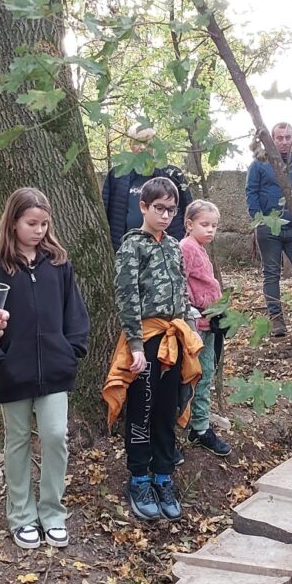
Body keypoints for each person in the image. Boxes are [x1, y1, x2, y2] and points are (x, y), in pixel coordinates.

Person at [0, 188, 89, 551]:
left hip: (55, 370)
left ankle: (53, 513)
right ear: (13, 222)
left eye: (44, 223)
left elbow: (74, 311)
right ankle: (22, 515)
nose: (39, 230)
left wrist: (72, 350)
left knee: (56, 435)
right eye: (31, 223)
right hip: (12, 370)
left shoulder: (58, 263)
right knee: (17, 441)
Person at [102, 176, 202, 523]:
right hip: (145, 340)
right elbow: (127, 296)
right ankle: (139, 477)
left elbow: (181, 290)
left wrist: (189, 326)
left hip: (174, 339)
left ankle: (163, 476)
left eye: (171, 210)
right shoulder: (133, 245)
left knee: (166, 407)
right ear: (143, 207)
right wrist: (134, 345)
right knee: (142, 409)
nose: (165, 215)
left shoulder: (174, 246)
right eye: (159, 208)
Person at [245, 122, 292, 335]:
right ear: (272, 139)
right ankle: (277, 320)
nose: (284, 141)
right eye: (280, 137)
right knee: (271, 274)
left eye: (288, 137)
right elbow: (251, 193)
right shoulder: (260, 164)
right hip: (269, 229)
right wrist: (260, 220)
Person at [179, 200, 231, 456]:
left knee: (207, 371)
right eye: (205, 224)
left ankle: (199, 425)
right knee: (194, 373)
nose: (211, 230)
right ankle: (190, 424)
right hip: (195, 325)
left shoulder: (200, 248)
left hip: (210, 323)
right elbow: (181, 282)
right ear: (189, 224)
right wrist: (193, 309)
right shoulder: (186, 247)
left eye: (214, 226)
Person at [102, 125, 192, 248]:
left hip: (166, 250)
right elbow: (105, 213)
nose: (143, 147)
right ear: (130, 144)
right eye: (139, 142)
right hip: (127, 250)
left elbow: (189, 212)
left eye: (148, 143)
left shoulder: (173, 174)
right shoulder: (117, 175)